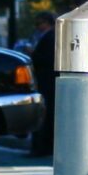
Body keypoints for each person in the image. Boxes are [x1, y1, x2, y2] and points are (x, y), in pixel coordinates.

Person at [29, 11, 56, 157]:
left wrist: (33, 53)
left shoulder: (50, 37)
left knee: (44, 115)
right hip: (45, 80)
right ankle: (42, 147)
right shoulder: (44, 37)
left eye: (40, 23)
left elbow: (46, 59)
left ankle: (41, 147)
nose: (38, 27)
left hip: (45, 80)